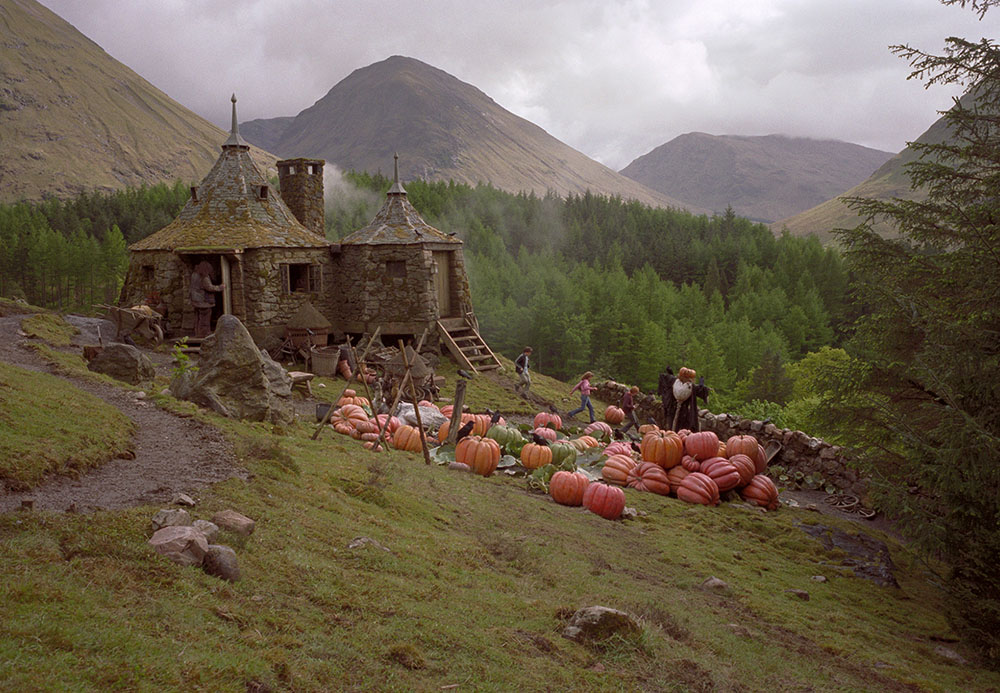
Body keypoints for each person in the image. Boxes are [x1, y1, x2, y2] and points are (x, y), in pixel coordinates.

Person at [190, 261, 224, 338]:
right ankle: (204, 334)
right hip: (204, 301)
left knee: (198, 318)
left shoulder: (194, 275)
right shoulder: (204, 277)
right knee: (205, 318)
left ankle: (198, 333)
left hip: (195, 300)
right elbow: (209, 288)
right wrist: (220, 287)